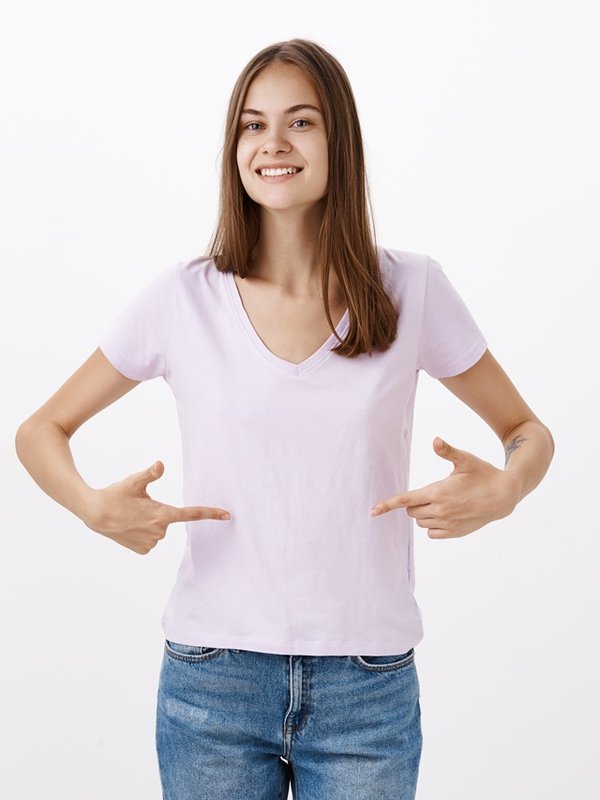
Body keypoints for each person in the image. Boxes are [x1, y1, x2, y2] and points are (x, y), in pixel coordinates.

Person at [15, 37, 554, 800]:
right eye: (251, 124)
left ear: (340, 139)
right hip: (212, 682)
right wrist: (92, 506)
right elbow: (39, 430)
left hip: (368, 685)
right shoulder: (183, 299)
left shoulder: (415, 289)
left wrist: (507, 488)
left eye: (300, 122)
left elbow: (530, 433)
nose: (272, 143)